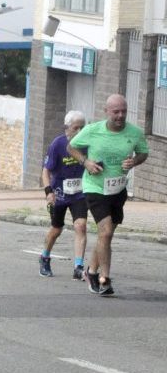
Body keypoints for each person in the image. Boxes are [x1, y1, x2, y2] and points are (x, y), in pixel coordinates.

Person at [66, 94, 148, 296]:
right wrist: (85, 162)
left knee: (106, 234)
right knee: (106, 231)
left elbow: (143, 153)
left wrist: (134, 162)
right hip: (95, 187)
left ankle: (91, 271)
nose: (120, 116)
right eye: (116, 112)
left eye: (123, 112)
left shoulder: (135, 133)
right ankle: (104, 280)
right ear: (107, 111)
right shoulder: (93, 130)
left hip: (118, 189)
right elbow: (72, 147)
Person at [40, 111, 88, 279]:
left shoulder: (88, 144)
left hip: (79, 194)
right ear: (67, 128)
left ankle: (78, 266)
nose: (80, 131)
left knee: (80, 226)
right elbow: (46, 171)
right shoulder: (57, 144)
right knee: (56, 229)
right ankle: (45, 257)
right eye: (76, 128)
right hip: (59, 194)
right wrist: (48, 192)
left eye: (83, 127)